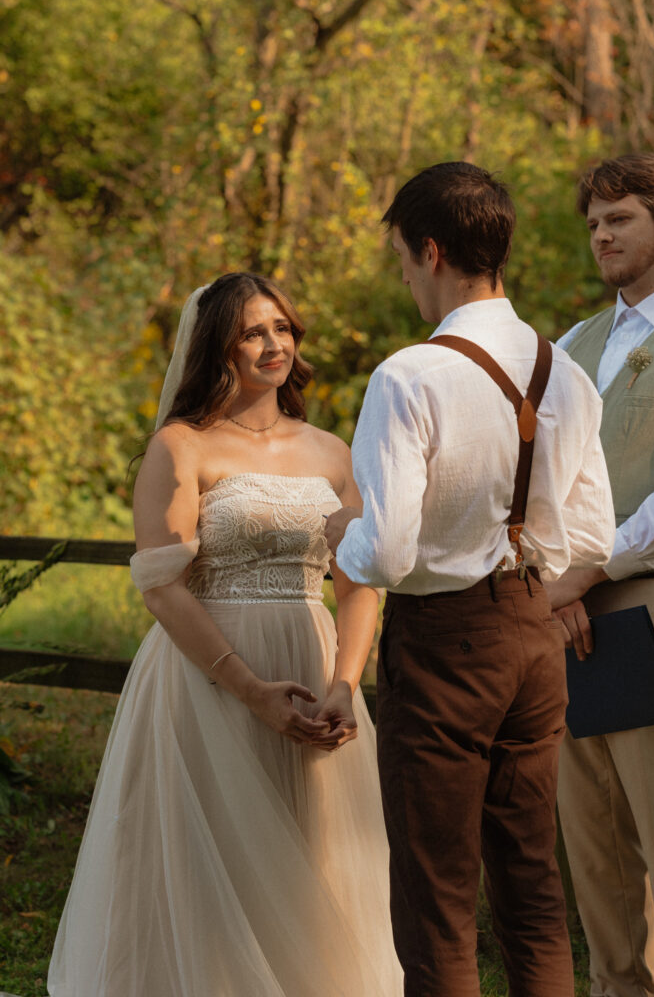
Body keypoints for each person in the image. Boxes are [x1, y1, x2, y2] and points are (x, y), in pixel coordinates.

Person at [47, 271, 403, 996]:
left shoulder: (334, 451)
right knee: (214, 858)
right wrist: (247, 688)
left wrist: (344, 682)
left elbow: (362, 580)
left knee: (316, 858)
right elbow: (159, 584)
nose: (274, 344)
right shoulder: (181, 447)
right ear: (219, 347)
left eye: (282, 327)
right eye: (252, 331)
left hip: (314, 665)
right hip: (207, 676)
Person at [324, 161, 615, 997]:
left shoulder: (410, 375)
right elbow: (592, 535)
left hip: (443, 645)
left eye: (405, 261)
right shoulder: (566, 370)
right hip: (536, 633)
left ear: (431, 248)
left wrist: (340, 532)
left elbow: (383, 555)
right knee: (533, 888)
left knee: (438, 898)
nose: (408, 279)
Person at [546, 153, 654, 997]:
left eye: (620, 218)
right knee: (592, 843)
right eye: (593, 223)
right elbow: (535, 481)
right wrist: (557, 582)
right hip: (564, 613)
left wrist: (593, 567)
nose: (602, 235)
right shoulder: (569, 346)